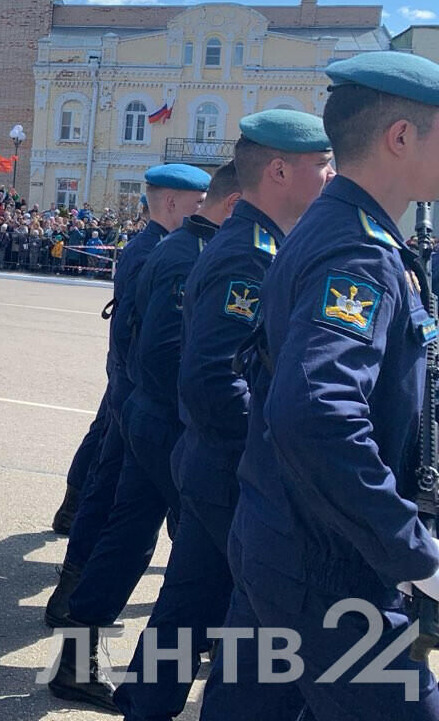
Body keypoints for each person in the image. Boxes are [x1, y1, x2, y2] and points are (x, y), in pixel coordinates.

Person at [199, 51, 439, 719]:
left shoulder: (352, 232)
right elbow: (318, 412)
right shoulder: (356, 249)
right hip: (331, 565)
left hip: (288, 529)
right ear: (400, 137)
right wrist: (410, 548)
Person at [115, 110, 334, 719]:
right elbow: (213, 377)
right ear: (280, 170)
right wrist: (270, 449)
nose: (331, 175)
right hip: (228, 465)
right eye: (322, 165)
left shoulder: (262, 244)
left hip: (213, 462)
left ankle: (144, 700)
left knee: (191, 600)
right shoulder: (249, 255)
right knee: (247, 618)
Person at [49, 163, 240, 710]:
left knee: (132, 541)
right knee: (200, 563)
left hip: (153, 420)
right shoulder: (189, 255)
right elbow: (160, 357)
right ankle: (145, 671)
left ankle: (77, 660)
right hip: (169, 427)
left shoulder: (186, 248)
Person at [50, 168, 206, 540]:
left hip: (131, 375)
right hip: (134, 377)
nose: (206, 209)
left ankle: (74, 516)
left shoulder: (163, 244)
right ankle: (76, 527)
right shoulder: (153, 248)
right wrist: (134, 383)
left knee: (106, 448)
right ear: (170, 202)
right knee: (111, 468)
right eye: (198, 203)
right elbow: (129, 327)